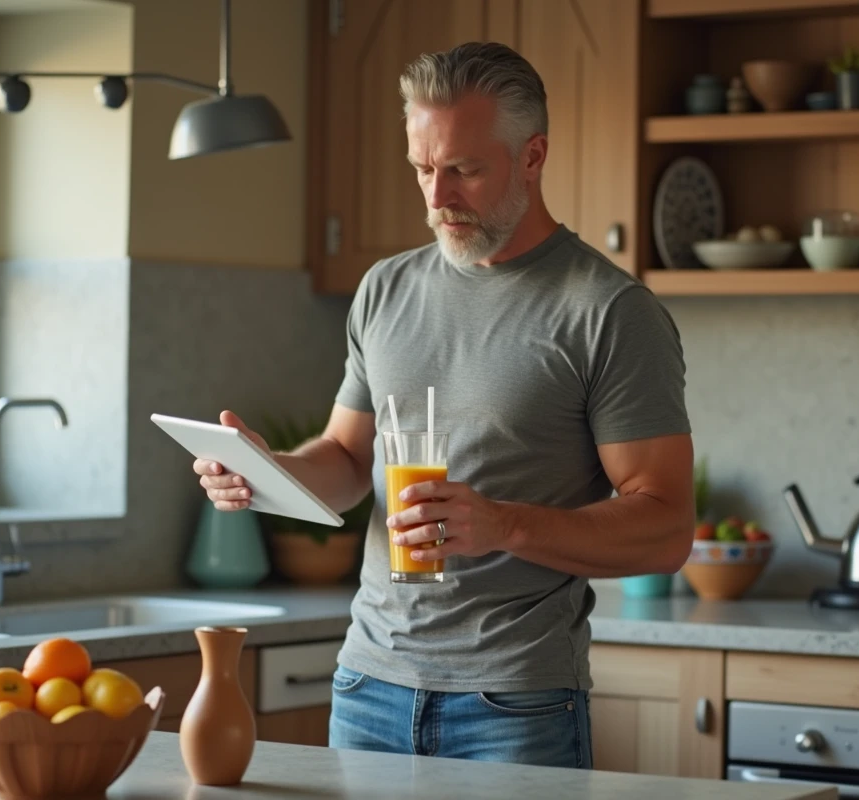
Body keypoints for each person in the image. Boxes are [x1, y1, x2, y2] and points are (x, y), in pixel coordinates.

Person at [193, 42, 694, 769]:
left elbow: (666, 527)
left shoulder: (609, 312)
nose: (436, 198)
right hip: (367, 684)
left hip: (514, 704)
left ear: (533, 155)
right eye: (423, 169)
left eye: (463, 169)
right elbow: (345, 459)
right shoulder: (385, 291)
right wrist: (268, 472)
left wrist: (502, 524)